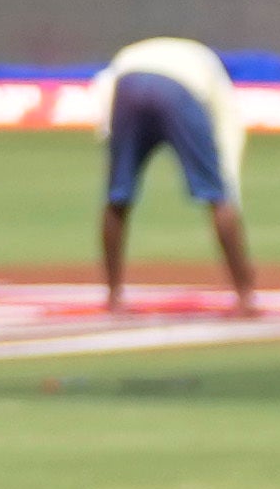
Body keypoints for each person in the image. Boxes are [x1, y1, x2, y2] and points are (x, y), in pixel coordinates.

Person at [91, 33, 259, 314]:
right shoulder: (209, 66)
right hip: (178, 89)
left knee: (118, 196)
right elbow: (229, 129)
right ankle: (245, 295)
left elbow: (104, 93)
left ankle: (113, 295)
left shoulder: (130, 54)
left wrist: (111, 143)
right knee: (215, 195)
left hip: (128, 86)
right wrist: (225, 187)